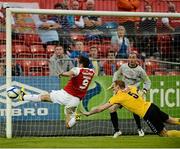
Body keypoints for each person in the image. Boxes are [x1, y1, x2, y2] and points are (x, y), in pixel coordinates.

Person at [82, 80, 180, 137]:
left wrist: (89, 113)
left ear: (118, 87)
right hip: (152, 106)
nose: (113, 89)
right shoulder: (131, 87)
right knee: (171, 120)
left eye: (114, 88)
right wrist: (116, 85)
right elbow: (131, 88)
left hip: (147, 114)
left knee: (163, 134)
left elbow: (100, 109)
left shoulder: (118, 97)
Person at [18, 56, 95, 129]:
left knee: (44, 97)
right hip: (76, 100)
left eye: (78, 62)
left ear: (81, 63)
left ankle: (23, 97)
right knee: (68, 125)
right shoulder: (92, 72)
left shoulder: (77, 69)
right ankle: (75, 118)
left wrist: (62, 74)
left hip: (66, 95)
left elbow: (69, 73)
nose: (77, 63)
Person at [108, 52, 151, 138]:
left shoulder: (140, 70)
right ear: (128, 58)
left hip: (133, 93)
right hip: (123, 92)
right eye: (130, 57)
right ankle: (117, 131)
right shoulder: (123, 67)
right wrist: (114, 82)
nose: (131, 59)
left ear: (136, 59)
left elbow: (147, 81)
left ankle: (139, 129)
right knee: (111, 109)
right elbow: (117, 73)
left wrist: (144, 91)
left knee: (135, 110)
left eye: (133, 57)